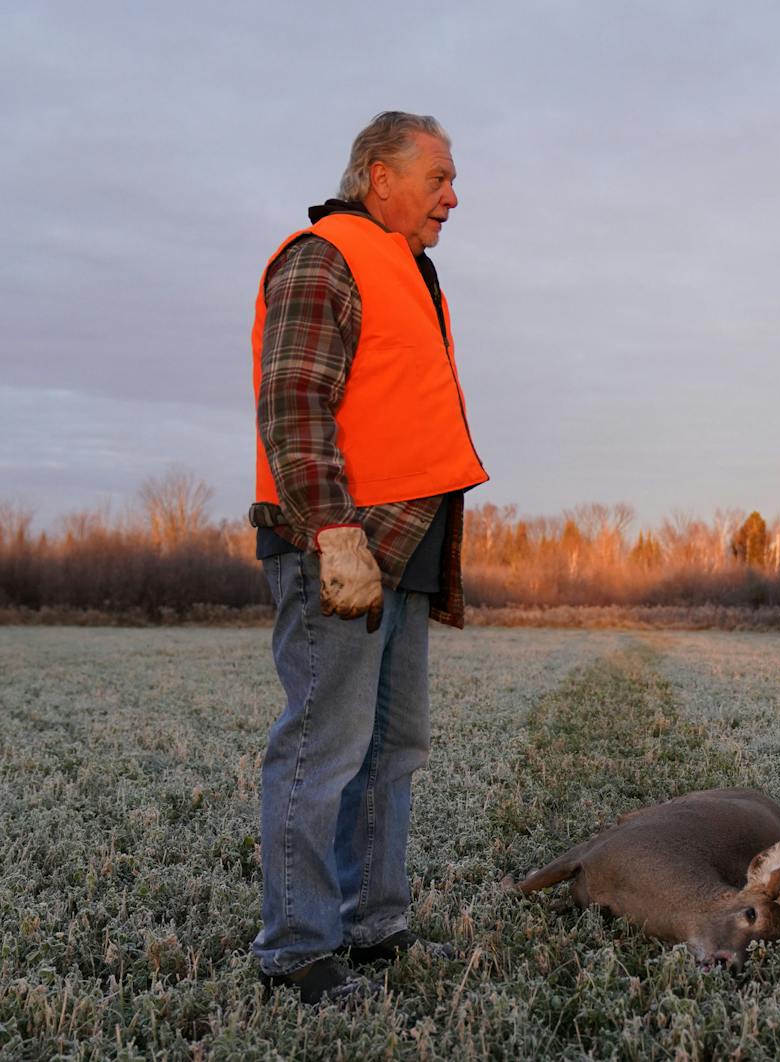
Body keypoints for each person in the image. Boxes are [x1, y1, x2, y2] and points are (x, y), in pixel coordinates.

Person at [248, 111, 488, 1004]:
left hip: (403, 547)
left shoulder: (411, 272)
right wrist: (333, 535)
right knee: (322, 748)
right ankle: (298, 953)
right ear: (379, 178)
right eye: (439, 178)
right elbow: (293, 401)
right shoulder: (325, 255)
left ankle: (372, 924)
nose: (453, 197)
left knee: (394, 748)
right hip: (338, 546)